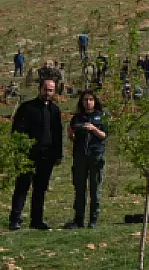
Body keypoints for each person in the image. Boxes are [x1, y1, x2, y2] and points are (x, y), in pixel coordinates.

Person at [9, 78, 63, 230]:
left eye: (51, 90)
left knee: (40, 189)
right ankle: (15, 220)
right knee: (22, 187)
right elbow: (17, 131)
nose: (48, 93)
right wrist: (19, 152)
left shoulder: (55, 110)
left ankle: (37, 220)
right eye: (46, 89)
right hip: (28, 155)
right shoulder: (27, 108)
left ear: (54, 92)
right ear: (39, 89)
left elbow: (58, 134)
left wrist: (58, 154)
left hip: (47, 156)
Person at [64, 90, 106, 230]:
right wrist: (71, 134)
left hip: (96, 155)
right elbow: (73, 137)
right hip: (80, 155)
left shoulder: (101, 116)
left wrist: (93, 129)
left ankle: (93, 219)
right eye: (85, 100)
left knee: (95, 189)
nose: (88, 102)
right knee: (79, 188)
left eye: (90, 99)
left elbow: (104, 135)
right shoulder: (77, 118)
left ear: (95, 101)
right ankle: (78, 219)